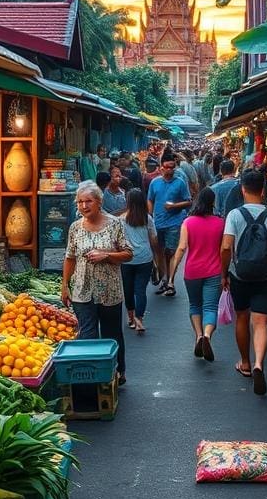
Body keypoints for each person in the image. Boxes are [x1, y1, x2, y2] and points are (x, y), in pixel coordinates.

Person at [221, 169, 267, 395]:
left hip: (239, 275)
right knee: (260, 322)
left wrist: (224, 273)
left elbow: (226, 247)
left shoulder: (234, 215)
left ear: (242, 189)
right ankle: (260, 362)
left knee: (242, 317)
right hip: (265, 276)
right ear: (263, 190)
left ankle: (246, 364)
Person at [61, 181, 134, 385]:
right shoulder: (75, 228)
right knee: (87, 334)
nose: (84, 206)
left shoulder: (115, 224)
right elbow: (70, 257)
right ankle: (91, 376)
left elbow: (128, 253)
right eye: (80, 202)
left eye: (88, 201)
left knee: (112, 334)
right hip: (82, 290)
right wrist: (65, 285)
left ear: (99, 202)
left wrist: (106, 255)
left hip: (109, 290)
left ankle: (119, 370)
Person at [170, 188, 225, 362]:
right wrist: (226, 273)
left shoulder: (188, 222)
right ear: (212, 203)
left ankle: (199, 336)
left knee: (195, 305)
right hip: (214, 270)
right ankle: (208, 335)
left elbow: (181, 247)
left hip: (192, 271)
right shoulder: (220, 223)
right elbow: (225, 249)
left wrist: (172, 274)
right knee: (210, 307)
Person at [147, 153, 192, 297]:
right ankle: (164, 279)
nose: (170, 170)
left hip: (174, 222)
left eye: (172, 167)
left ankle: (170, 281)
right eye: (167, 167)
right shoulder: (155, 183)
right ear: (161, 168)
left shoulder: (180, 183)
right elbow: (150, 200)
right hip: (158, 222)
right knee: (160, 252)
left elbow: (188, 201)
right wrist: (150, 216)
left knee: (171, 252)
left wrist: (174, 206)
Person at [120, 189, 157, 333]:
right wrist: (157, 258)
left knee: (128, 290)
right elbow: (154, 240)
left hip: (126, 259)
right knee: (140, 291)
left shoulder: (121, 219)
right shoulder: (147, 218)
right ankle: (139, 319)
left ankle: (130, 318)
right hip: (145, 258)